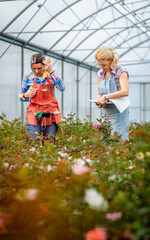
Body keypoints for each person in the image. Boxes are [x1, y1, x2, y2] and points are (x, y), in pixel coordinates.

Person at [19, 53, 65, 142]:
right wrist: (26, 95)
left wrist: (51, 71)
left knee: (49, 143)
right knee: (32, 141)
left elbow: (62, 88)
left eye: (39, 68)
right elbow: (21, 96)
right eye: (34, 68)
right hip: (34, 114)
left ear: (44, 65)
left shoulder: (51, 76)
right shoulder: (28, 77)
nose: (36, 71)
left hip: (50, 114)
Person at [95, 46, 129, 141]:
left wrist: (105, 97)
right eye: (99, 65)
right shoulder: (100, 74)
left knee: (119, 139)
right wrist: (100, 101)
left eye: (104, 65)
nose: (102, 67)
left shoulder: (121, 72)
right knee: (106, 140)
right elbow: (99, 93)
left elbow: (125, 91)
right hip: (105, 112)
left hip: (119, 112)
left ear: (111, 60)